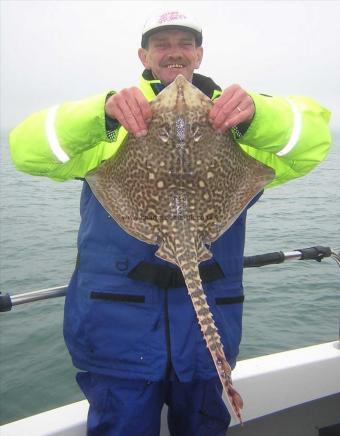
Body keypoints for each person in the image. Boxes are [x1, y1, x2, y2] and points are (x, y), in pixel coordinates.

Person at [9, 9, 331, 436]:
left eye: (184, 43)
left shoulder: (237, 125)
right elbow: (25, 150)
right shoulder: (113, 127)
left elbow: (313, 142)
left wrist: (258, 118)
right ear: (144, 55)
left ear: (198, 54)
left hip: (202, 338)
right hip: (117, 336)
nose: (174, 53)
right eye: (162, 44)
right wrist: (100, 115)